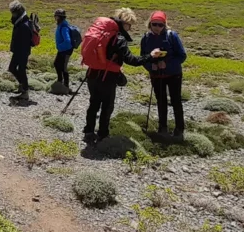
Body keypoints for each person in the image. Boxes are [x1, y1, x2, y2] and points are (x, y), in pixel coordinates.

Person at [81, 8, 162, 143]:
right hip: (108, 77)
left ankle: (88, 131)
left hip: (92, 73)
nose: (130, 28)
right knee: (107, 106)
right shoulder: (118, 38)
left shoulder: (102, 33)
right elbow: (132, 60)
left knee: (93, 103)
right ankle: (103, 134)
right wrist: (151, 56)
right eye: (129, 25)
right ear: (125, 23)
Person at [140, 11, 188, 137]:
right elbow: (143, 58)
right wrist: (151, 66)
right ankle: (162, 128)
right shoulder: (145, 38)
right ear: (150, 24)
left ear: (165, 25)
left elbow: (182, 56)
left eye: (160, 25)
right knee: (161, 101)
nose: (157, 27)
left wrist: (167, 64)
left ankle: (179, 129)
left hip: (173, 74)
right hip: (156, 75)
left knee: (176, 100)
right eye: (154, 24)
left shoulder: (172, 36)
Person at [7, 0, 33, 102]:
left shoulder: (23, 24)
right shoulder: (21, 21)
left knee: (19, 70)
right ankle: (23, 86)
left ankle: (25, 91)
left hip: (22, 51)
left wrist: (17, 50)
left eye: (13, 12)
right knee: (15, 68)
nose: (12, 15)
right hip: (20, 51)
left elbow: (24, 41)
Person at [53, 9, 78, 93]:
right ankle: (60, 81)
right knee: (56, 64)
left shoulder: (64, 27)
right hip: (63, 49)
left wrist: (60, 47)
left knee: (63, 67)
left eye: (56, 16)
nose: (55, 18)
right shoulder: (61, 25)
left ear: (60, 17)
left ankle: (66, 86)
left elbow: (67, 41)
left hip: (66, 50)